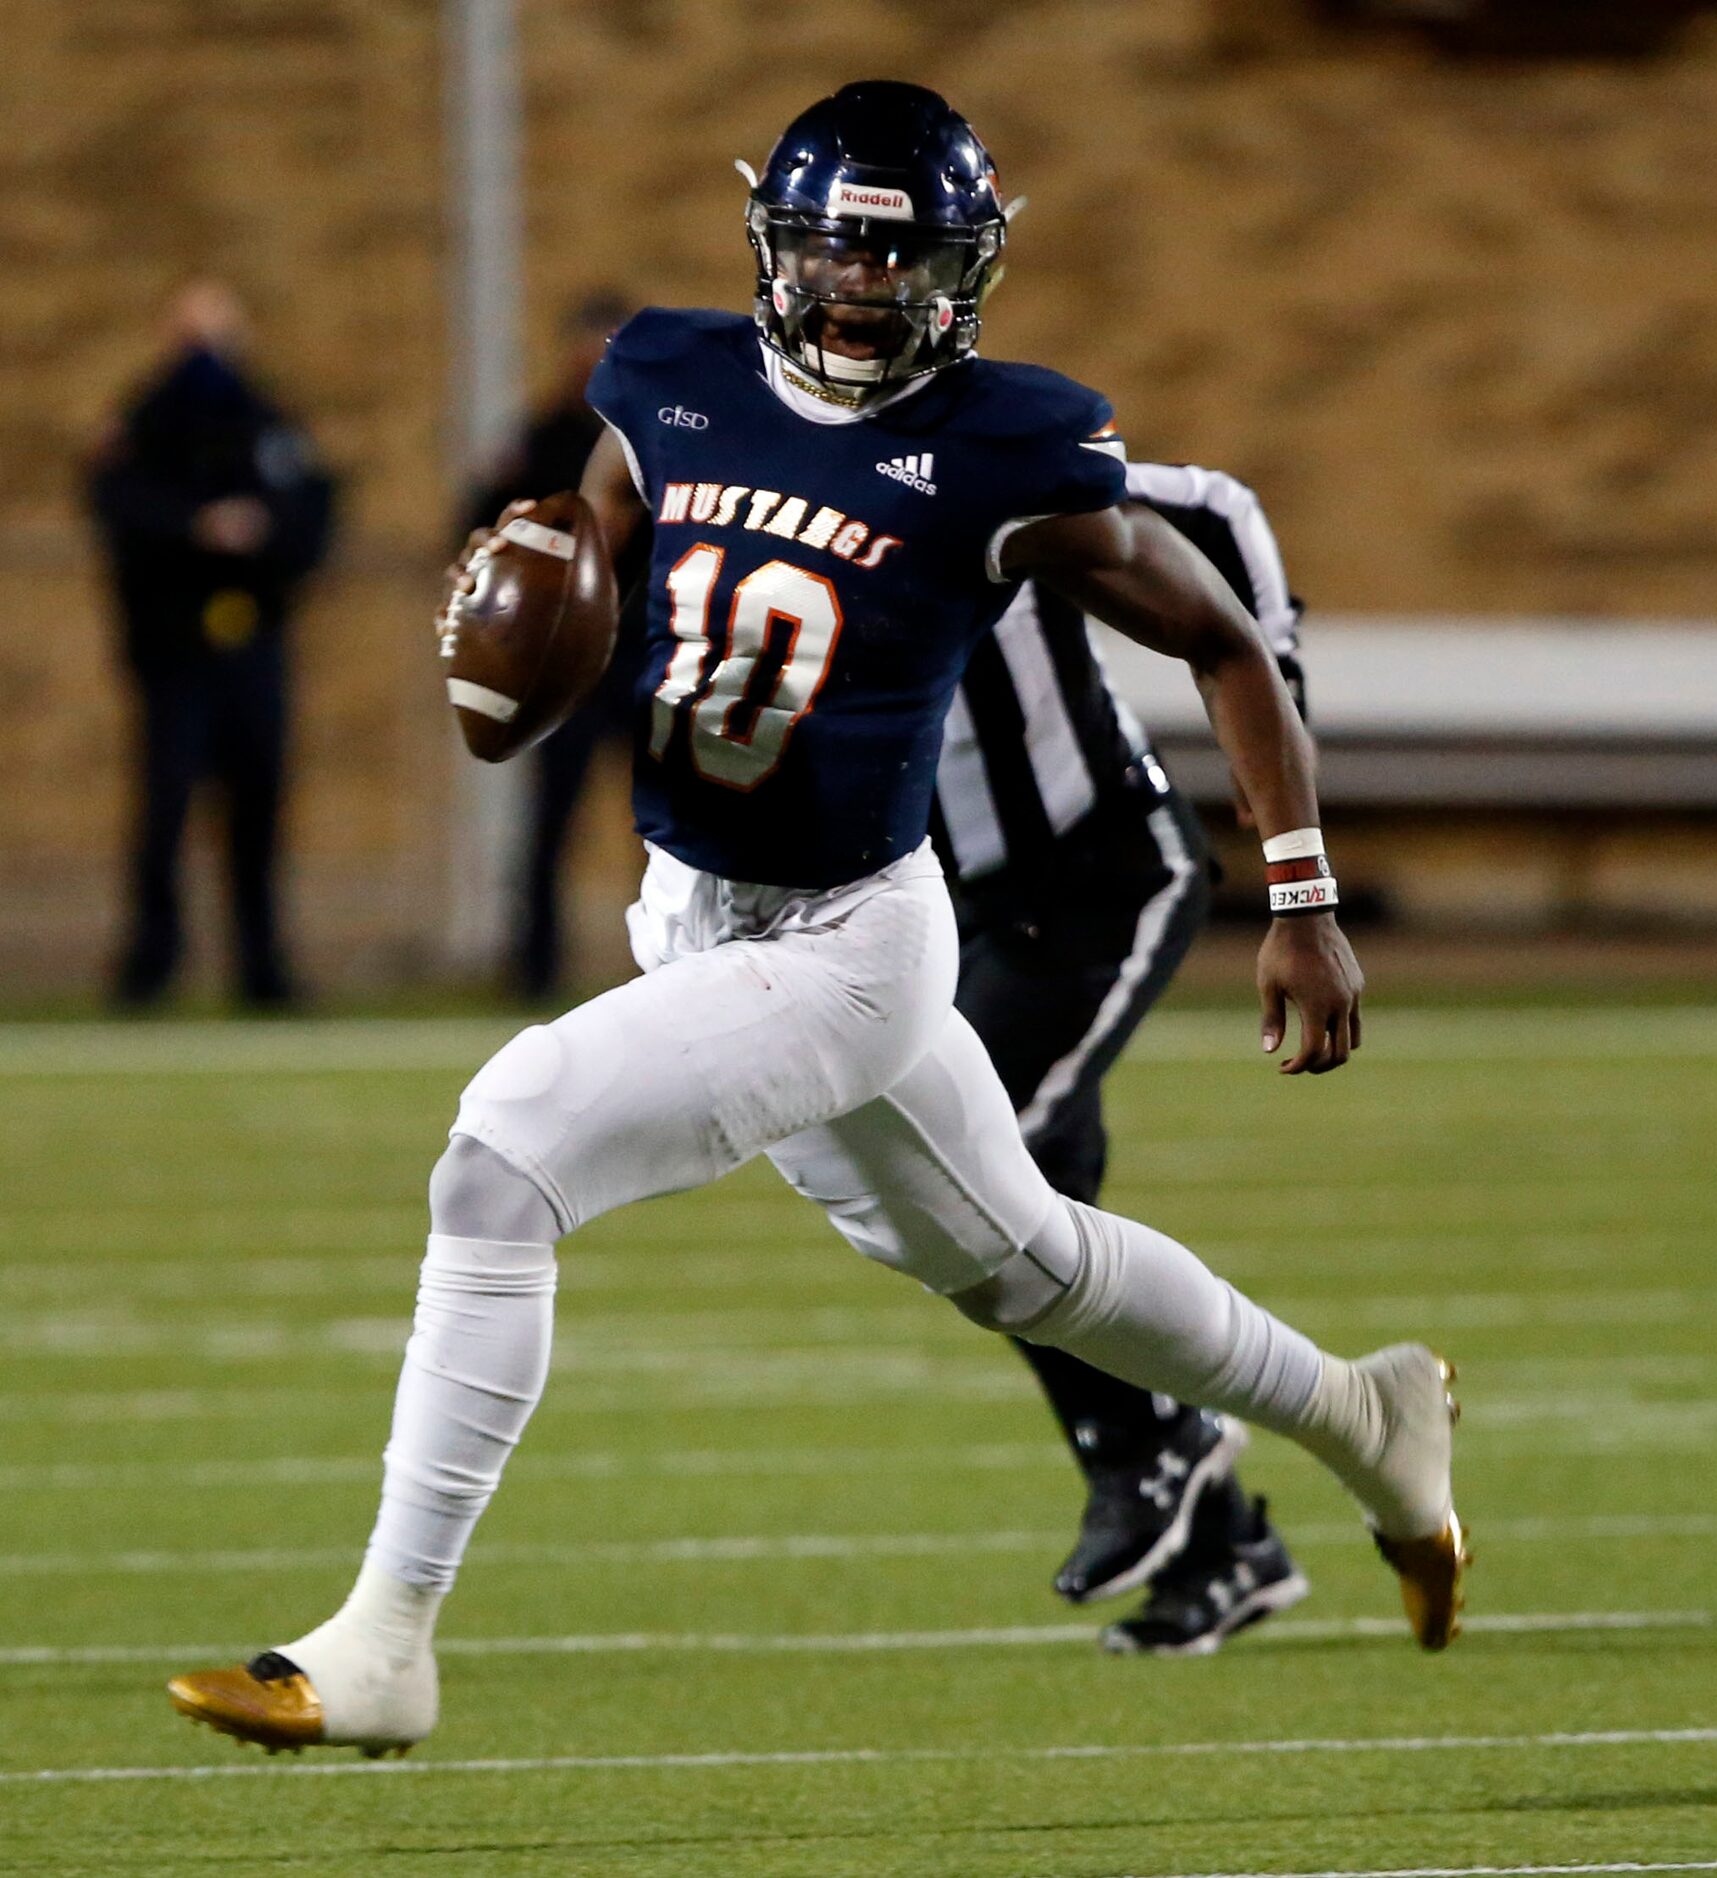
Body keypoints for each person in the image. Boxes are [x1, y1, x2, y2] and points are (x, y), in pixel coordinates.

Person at [164, 81, 1467, 1760]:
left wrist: (1298, 895)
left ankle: (381, 1642)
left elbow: (1218, 636)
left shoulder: (1008, 440)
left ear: (962, 267)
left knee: (501, 1152)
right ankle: (1364, 1414)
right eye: (834, 252)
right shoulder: (661, 378)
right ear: (773, 248)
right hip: (686, 907)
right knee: (1033, 1264)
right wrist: (519, 638)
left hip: (849, 939)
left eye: (900, 257)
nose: (861, 289)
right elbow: (577, 601)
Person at [938, 457, 1316, 1653]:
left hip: (1093, 870)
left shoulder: (988, 433)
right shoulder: (742, 460)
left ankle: (1161, 1449)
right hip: (938, 905)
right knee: (1036, 1212)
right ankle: (1224, 1548)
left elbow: (1217, 505)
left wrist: (1281, 696)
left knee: (980, 1177)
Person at [87, 281, 336, 1009]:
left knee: (257, 808)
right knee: (165, 807)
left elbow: (310, 515)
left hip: (254, 646)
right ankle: (150, 967)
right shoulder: (144, 423)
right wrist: (195, 527)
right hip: (173, 650)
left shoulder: (270, 425)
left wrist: (259, 533)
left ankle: (262, 969)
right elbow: (117, 508)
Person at [463, 290, 654, 1000]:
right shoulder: (540, 441)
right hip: (570, 663)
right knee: (550, 823)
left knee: (662, 831)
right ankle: (533, 970)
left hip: (645, 658)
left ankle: (668, 970)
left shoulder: (660, 441)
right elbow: (485, 532)